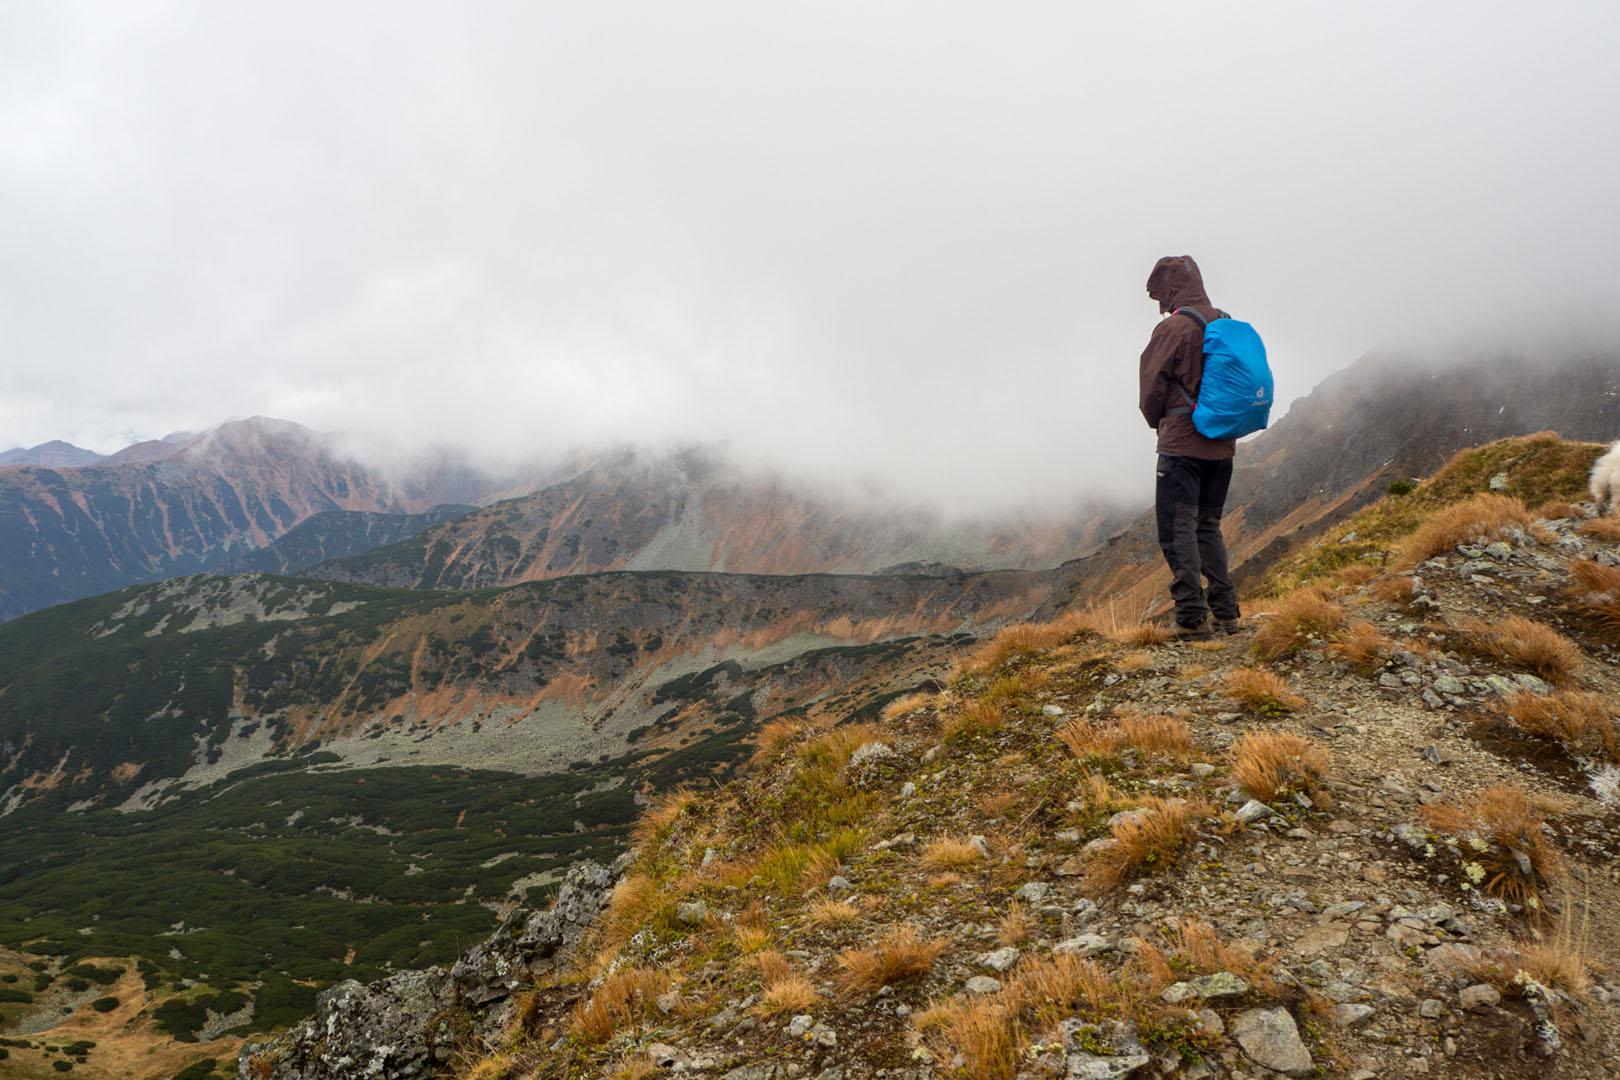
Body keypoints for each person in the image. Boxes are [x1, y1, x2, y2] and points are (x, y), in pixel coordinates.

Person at [1138, 255, 1240, 639]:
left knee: (1176, 528)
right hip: (1223, 444)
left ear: (1169, 289)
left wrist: (1161, 425)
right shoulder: (1225, 323)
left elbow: (1151, 389)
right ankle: (1226, 613)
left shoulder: (1173, 329)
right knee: (1207, 527)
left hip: (1182, 446)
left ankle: (1191, 618)